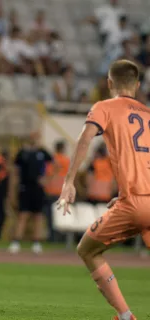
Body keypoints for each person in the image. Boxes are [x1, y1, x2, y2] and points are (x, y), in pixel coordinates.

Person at [58, 59, 145, 320]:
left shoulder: (104, 107)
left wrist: (69, 181)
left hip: (134, 203)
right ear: (138, 86)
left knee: (88, 250)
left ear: (109, 84)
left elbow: (85, 138)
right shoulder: (148, 114)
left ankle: (125, 315)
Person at [8, 132, 52, 255]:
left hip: (38, 188)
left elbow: (56, 165)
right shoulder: (22, 153)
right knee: (23, 215)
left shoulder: (43, 152)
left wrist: (47, 179)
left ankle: (36, 243)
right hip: (25, 187)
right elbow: (15, 172)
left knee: (38, 216)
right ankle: (16, 242)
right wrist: (12, 190)